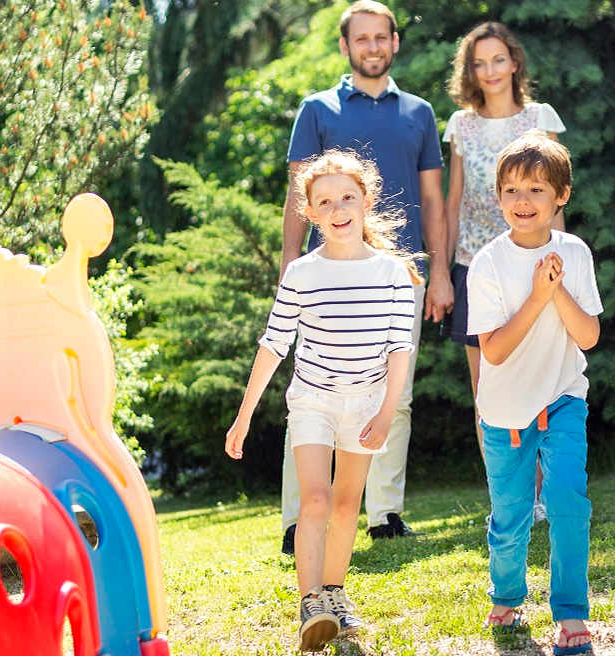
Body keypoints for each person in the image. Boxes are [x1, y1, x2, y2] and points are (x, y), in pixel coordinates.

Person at [225, 150, 421, 651]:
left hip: (367, 403)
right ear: (310, 212)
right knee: (313, 500)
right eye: (326, 201)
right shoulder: (302, 274)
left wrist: (384, 413)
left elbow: (401, 349)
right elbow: (273, 344)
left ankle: (335, 594)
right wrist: (243, 418)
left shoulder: (394, 274)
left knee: (345, 503)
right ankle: (311, 603)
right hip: (312, 400)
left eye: (348, 197)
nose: (338, 208)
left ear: (366, 201)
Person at [278, 0, 445, 554]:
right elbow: (296, 200)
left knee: (393, 395)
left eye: (382, 38)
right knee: (311, 392)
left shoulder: (420, 113)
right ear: (347, 47)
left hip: (400, 273)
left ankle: (385, 512)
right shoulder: (316, 109)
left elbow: (432, 200)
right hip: (326, 278)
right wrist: (288, 270)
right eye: (362, 39)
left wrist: (438, 271)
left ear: (395, 43)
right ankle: (299, 519)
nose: (372, 46)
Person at [467, 133, 600, 655]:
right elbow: (494, 352)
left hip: (564, 398)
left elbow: (587, 336)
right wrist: (538, 294)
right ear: (498, 198)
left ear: (561, 195)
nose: (523, 202)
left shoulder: (574, 253)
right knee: (512, 514)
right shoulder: (488, 264)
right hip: (504, 413)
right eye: (512, 190)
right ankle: (507, 594)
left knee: (568, 501)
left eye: (537, 189)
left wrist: (557, 290)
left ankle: (571, 614)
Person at [442, 22, 566, 523]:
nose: (489, 71)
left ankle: (540, 496)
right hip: (476, 266)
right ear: (469, 71)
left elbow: (556, 196)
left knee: (540, 382)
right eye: (479, 62)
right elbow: (453, 203)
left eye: (498, 59)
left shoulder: (540, 118)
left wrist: (563, 261)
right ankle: (507, 498)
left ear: (514, 62)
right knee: (488, 391)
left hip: (535, 266)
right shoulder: (460, 126)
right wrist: (441, 275)